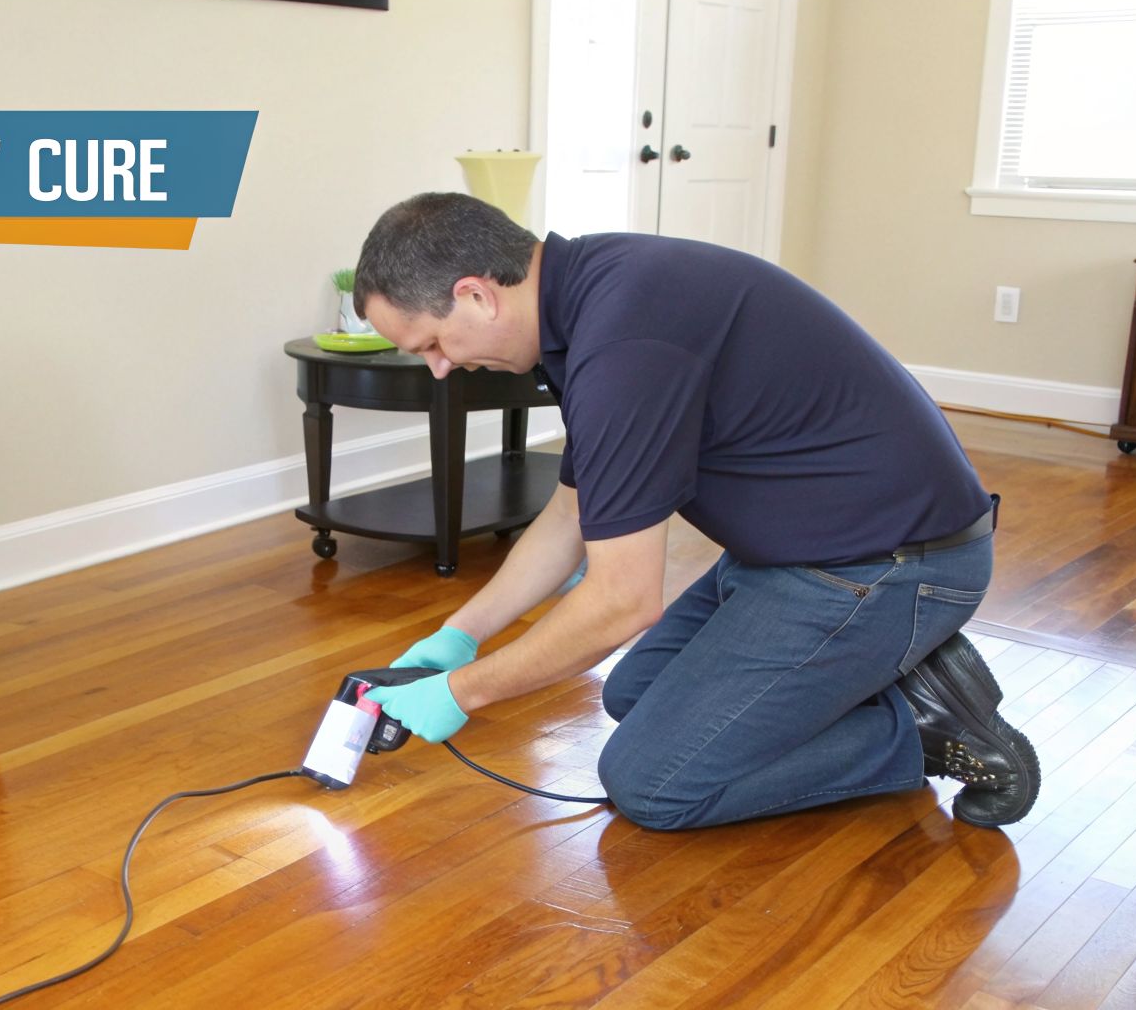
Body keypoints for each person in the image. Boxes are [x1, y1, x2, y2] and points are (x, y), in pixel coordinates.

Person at [351, 192, 1039, 830]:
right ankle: (878, 663)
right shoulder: (592, 294)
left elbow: (622, 603)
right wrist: (459, 635)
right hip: (802, 551)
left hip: (892, 564)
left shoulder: (623, 348)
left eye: (433, 345)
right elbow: (571, 516)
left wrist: (462, 692)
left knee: (655, 781)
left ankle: (921, 728)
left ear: (475, 294)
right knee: (636, 696)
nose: (439, 368)